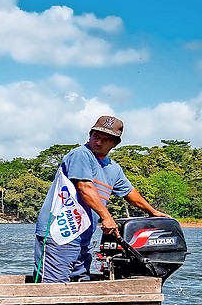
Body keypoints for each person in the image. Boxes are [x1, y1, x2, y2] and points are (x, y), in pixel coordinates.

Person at [34, 115, 170, 283]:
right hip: (60, 232)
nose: (98, 142)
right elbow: (85, 188)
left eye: (105, 139)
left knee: (81, 282)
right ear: (89, 135)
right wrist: (106, 217)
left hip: (84, 237)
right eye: (96, 136)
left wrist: (152, 211)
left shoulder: (113, 168)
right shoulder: (81, 155)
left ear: (114, 143)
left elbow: (130, 193)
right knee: (53, 285)